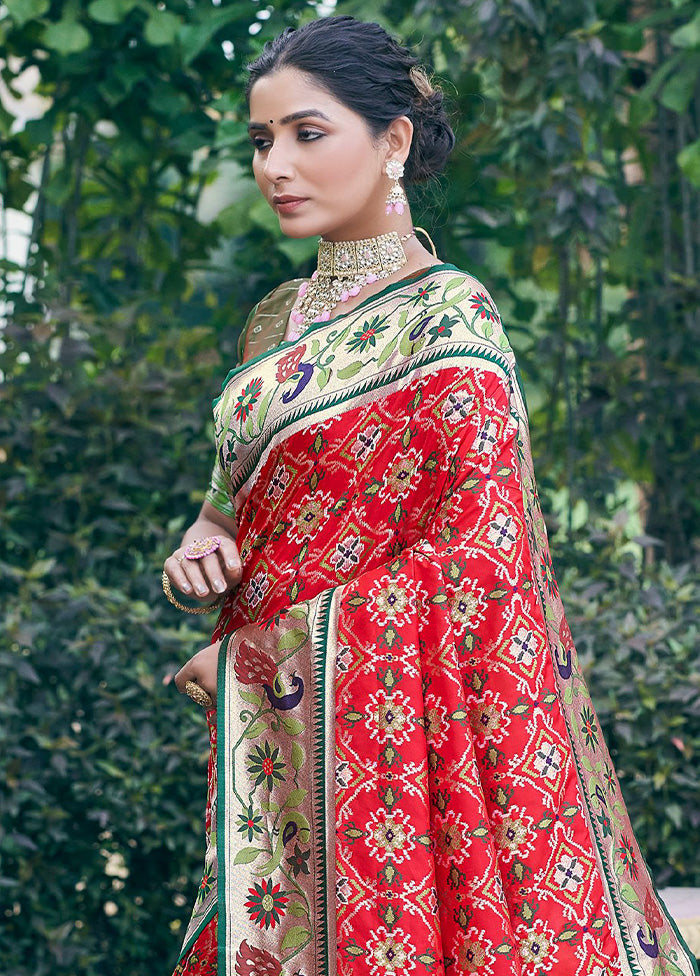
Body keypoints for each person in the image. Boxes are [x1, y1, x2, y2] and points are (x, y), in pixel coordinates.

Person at [162, 16, 698, 976]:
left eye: (306, 133)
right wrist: (202, 549)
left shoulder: (450, 321)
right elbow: (229, 509)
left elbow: (481, 566)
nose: (275, 165)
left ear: (394, 140)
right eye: (261, 140)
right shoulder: (274, 325)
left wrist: (259, 656)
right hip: (285, 746)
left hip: (393, 750)